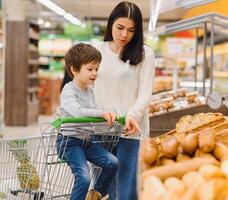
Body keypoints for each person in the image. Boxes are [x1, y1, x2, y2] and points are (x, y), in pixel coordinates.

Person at [94, 1, 155, 200]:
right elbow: (85, 86)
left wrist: (132, 115)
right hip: (100, 130)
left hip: (130, 132)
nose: (124, 35)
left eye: (131, 30)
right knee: (102, 191)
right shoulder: (96, 51)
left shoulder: (145, 54)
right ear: (111, 23)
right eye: (120, 28)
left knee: (127, 192)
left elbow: (145, 94)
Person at [57, 43, 119, 200]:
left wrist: (109, 121)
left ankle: (95, 194)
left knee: (113, 163)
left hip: (87, 141)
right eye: (90, 69)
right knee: (84, 177)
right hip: (69, 143)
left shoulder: (90, 90)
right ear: (74, 69)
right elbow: (77, 111)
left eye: (97, 69)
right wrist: (102, 113)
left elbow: (94, 112)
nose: (95, 73)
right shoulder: (68, 90)